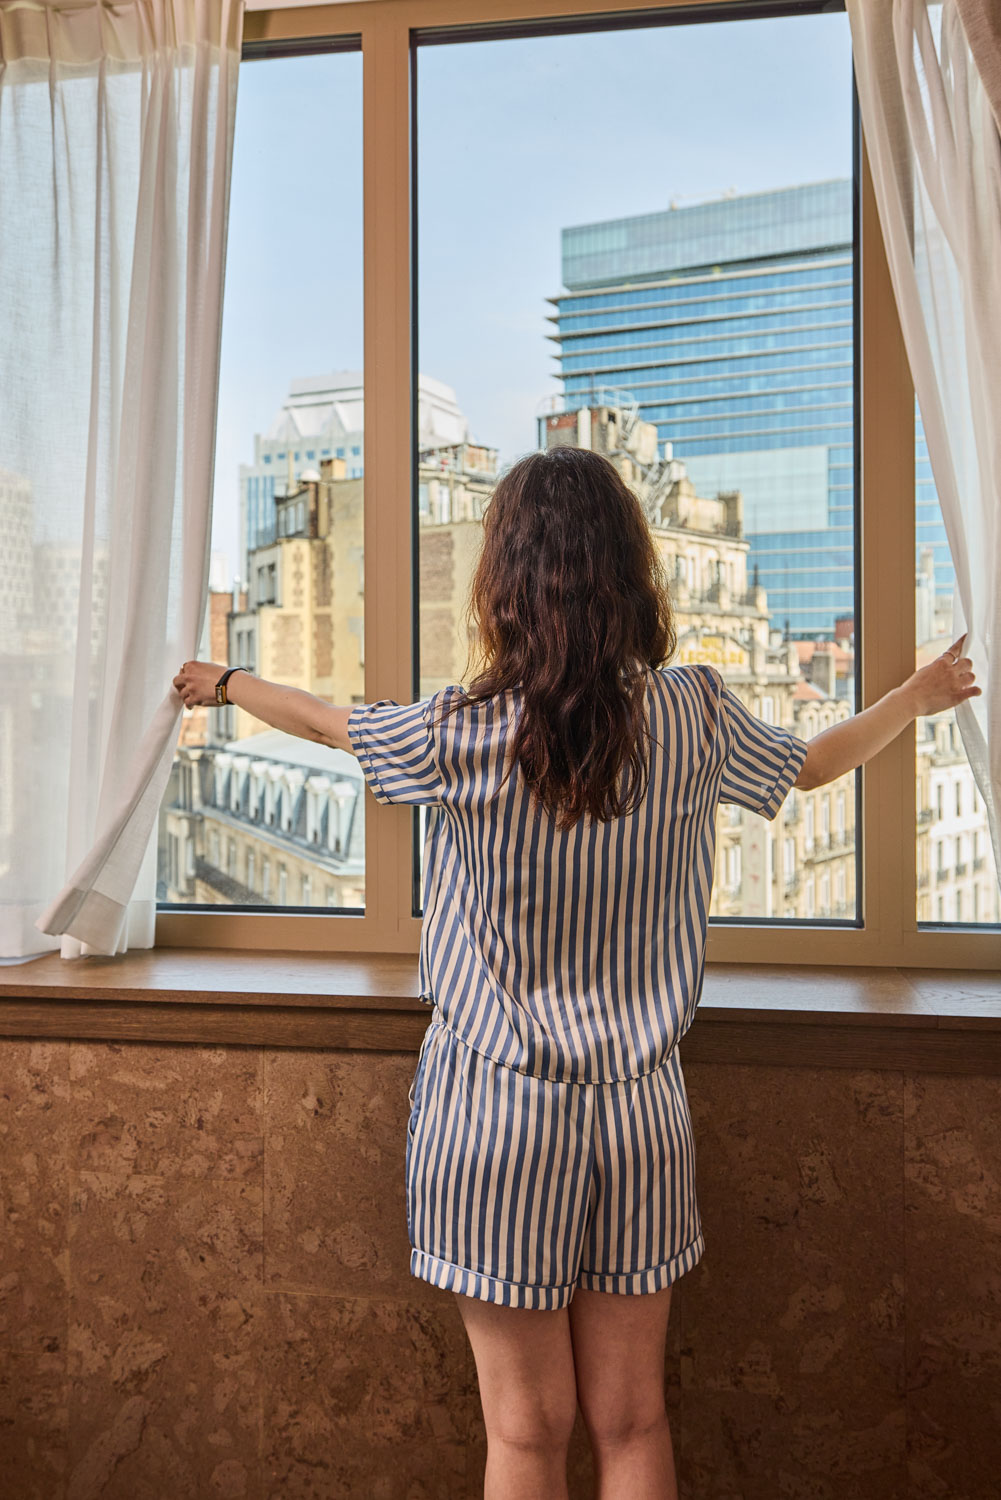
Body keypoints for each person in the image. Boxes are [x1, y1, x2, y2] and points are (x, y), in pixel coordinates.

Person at [173, 446, 979, 1500]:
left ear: (504, 581)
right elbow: (814, 762)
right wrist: (913, 696)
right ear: (631, 575)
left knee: (524, 1431)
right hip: (640, 1113)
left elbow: (326, 724)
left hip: (494, 1116)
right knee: (633, 1420)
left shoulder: (463, 733)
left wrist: (222, 683)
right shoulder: (690, 713)